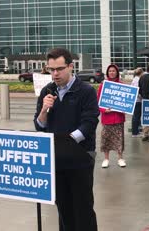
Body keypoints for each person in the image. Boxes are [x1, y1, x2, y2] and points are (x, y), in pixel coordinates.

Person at [34, 47, 99, 231]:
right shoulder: (47, 91)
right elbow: (39, 125)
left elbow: (89, 123)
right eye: (51, 69)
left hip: (81, 157)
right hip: (56, 159)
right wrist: (44, 110)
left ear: (71, 66)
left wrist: (68, 142)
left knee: (83, 208)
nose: (55, 74)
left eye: (59, 69)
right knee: (63, 208)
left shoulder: (86, 91)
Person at [97, 64, 126, 168]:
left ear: (117, 72)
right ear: (107, 73)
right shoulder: (103, 85)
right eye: (110, 71)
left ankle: (120, 158)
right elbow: (98, 102)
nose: (112, 73)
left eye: (114, 71)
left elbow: (127, 102)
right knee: (106, 139)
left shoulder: (122, 85)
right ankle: (106, 159)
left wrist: (125, 108)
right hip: (107, 118)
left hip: (118, 118)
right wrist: (104, 110)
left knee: (119, 139)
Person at [131, 68, 144, 137]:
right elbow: (138, 91)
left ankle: (136, 131)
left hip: (135, 100)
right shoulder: (137, 80)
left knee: (136, 116)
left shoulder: (134, 79)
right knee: (136, 117)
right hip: (137, 101)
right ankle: (135, 132)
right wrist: (142, 97)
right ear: (141, 73)